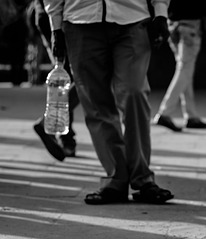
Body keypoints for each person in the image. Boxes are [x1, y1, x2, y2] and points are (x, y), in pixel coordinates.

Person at [44, 0, 174, 205]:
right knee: (95, 103)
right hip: (80, 20)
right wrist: (55, 25)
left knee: (134, 93)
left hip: (132, 17)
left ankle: (143, 178)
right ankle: (116, 177)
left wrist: (161, 12)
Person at [152, 0, 206, 132]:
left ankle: (191, 115)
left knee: (185, 69)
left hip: (172, 24)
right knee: (185, 69)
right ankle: (164, 113)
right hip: (190, 24)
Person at [32, 0, 78, 161]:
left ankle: (64, 136)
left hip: (53, 14)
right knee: (83, 76)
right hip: (60, 15)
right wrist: (56, 30)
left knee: (72, 76)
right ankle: (62, 135)